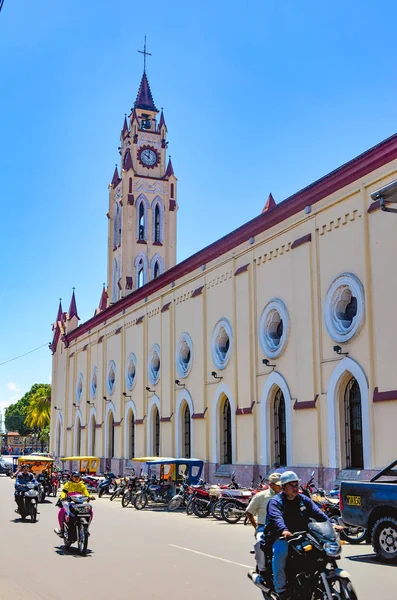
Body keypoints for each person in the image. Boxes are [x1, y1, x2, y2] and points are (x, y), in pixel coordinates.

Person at [264, 471, 329, 600]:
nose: (295, 488)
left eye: (296, 484)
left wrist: (331, 524)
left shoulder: (303, 500)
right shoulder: (275, 502)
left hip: (302, 534)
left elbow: (318, 514)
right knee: (280, 552)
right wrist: (284, 530)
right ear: (283, 487)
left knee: (320, 549)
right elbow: (277, 518)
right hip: (281, 535)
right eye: (291, 485)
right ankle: (280, 589)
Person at [245, 473, 282, 576]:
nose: (281, 487)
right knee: (260, 542)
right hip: (264, 527)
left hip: (282, 527)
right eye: (278, 485)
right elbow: (249, 512)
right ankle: (262, 569)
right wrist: (256, 527)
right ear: (271, 484)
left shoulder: (285, 496)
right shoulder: (261, 496)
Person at [54, 470, 94, 537]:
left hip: (80, 502)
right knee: (62, 511)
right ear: (71, 477)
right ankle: (62, 530)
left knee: (90, 511)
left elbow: (86, 492)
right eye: (75, 477)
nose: (76, 478)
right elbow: (64, 492)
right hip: (70, 502)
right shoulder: (68, 484)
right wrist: (63, 497)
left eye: (78, 477)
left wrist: (89, 497)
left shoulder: (82, 484)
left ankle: (86, 529)